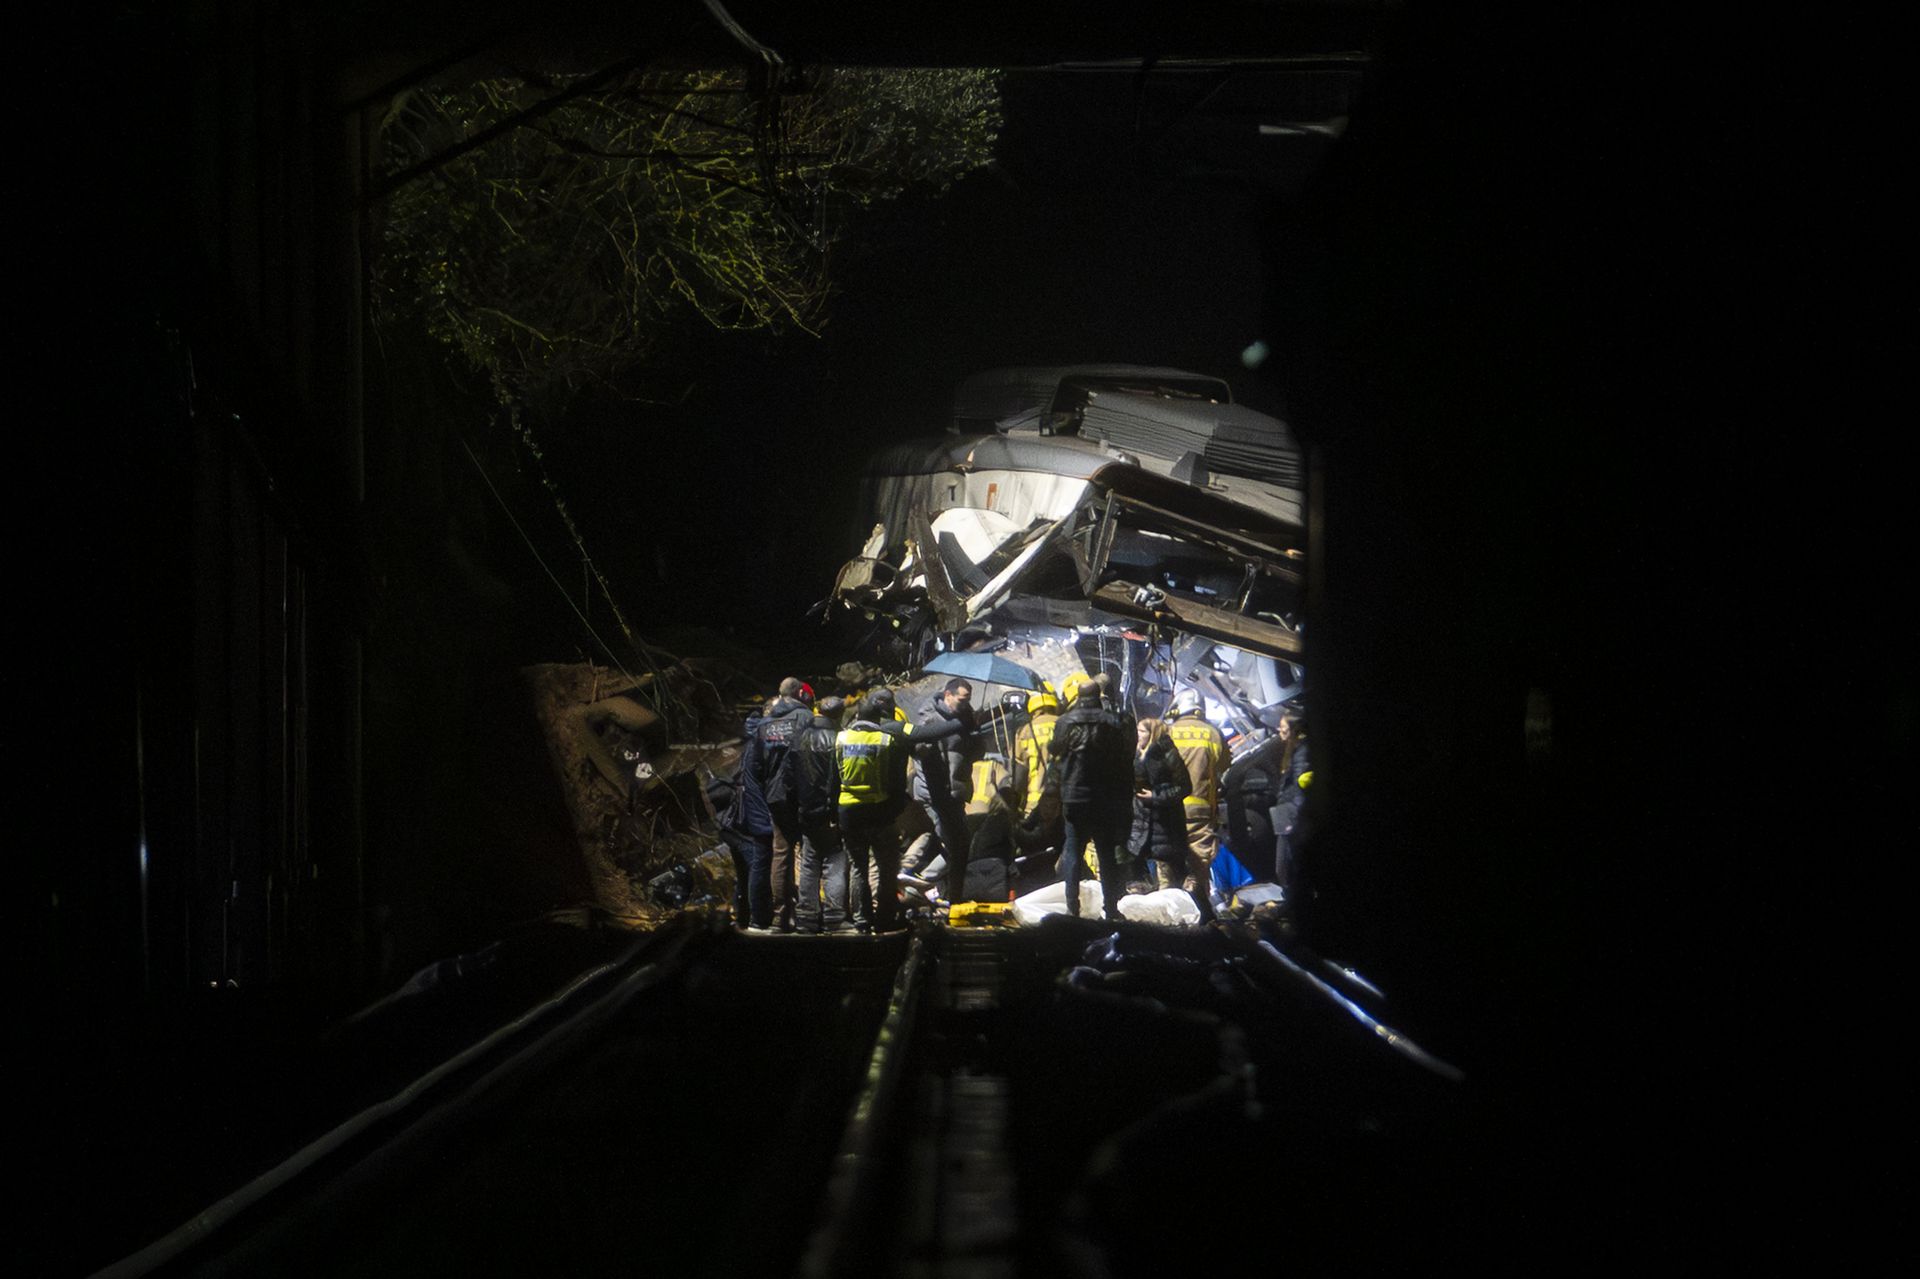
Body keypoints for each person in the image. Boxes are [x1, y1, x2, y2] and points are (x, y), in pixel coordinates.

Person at [836, 687, 968, 931]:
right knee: (887, 867)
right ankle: (885, 917)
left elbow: (835, 779)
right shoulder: (890, 733)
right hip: (880, 811)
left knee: (859, 868)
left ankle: (862, 920)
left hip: (848, 812)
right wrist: (962, 723)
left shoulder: (843, 737)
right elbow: (923, 733)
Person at [1054, 672, 1137, 921]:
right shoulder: (1111, 722)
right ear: (1098, 697)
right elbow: (1123, 759)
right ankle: (1110, 908)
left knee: (1073, 852)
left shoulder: (1065, 722)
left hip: (1074, 798)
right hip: (1103, 797)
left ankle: (1072, 907)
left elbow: (1057, 755)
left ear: (1078, 697)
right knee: (1105, 853)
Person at [908, 678, 979, 905]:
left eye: (968, 700)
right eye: (961, 699)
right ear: (947, 695)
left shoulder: (966, 716)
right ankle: (918, 883)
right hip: (934, 794)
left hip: (955, 792)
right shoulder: (929, 717)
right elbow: (919, 750)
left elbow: (970, 752)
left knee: (961, 845)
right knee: (955, 845)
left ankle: (951, 898)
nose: (965, 704)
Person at [787, 695, 853, 934]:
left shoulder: (799, 737)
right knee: (834, 862)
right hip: (831, 811)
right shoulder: (839, 739)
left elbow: (790, 775)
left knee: (809, 861)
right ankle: (834, 916)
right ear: (839, 714)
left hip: (805, 809)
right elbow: (838, 779)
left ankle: (806, 916)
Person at [758, 678, 815, 932]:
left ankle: (780, 914)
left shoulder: (765, 723)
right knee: (807, 851)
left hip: (773, 795)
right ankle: (806, 913)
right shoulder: (805, 718)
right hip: (800, 795)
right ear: (800, 695)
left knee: (781, 852)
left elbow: (758, 763)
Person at [1167, 687, 1232, 905]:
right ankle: (1201, 906)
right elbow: (1224, 765)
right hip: (1201, 807)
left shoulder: (1169, 732)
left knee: (1168, 860)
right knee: (1200, 863)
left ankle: (1168, 907)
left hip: (1171, 805)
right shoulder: (1213, 733)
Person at [1129, 717, 1195, 905]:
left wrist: (1156, 796)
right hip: (1143, 821)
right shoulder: (1136, 754)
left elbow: (1184, 787)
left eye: (1142, 731)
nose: (1137, 735)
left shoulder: (1166, 752)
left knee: (1167, 873)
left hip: (1166, 823)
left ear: (1153, 734)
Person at [1272, 711, 1311, 897]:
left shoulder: (1302, 751)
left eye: (1284, 730)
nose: (1280, 733)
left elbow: (1301, 783)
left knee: (1288, 865)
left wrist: (1295, 816)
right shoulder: (1297, 751)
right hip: (1289, 815)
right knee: (1286, 866)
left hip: (1292, 817)